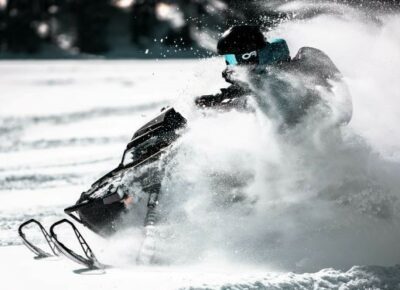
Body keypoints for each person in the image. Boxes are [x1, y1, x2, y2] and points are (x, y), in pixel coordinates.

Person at [195, 25, 352, 127]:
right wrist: (220, 105)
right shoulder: (261, 80)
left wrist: (222, 96)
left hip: (311, 144)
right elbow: (253, 100)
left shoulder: (293, 69)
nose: (230, 65)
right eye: (228, 60)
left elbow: (271, 83)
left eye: (232, 59)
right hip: (290, 147)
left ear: (248, 56)